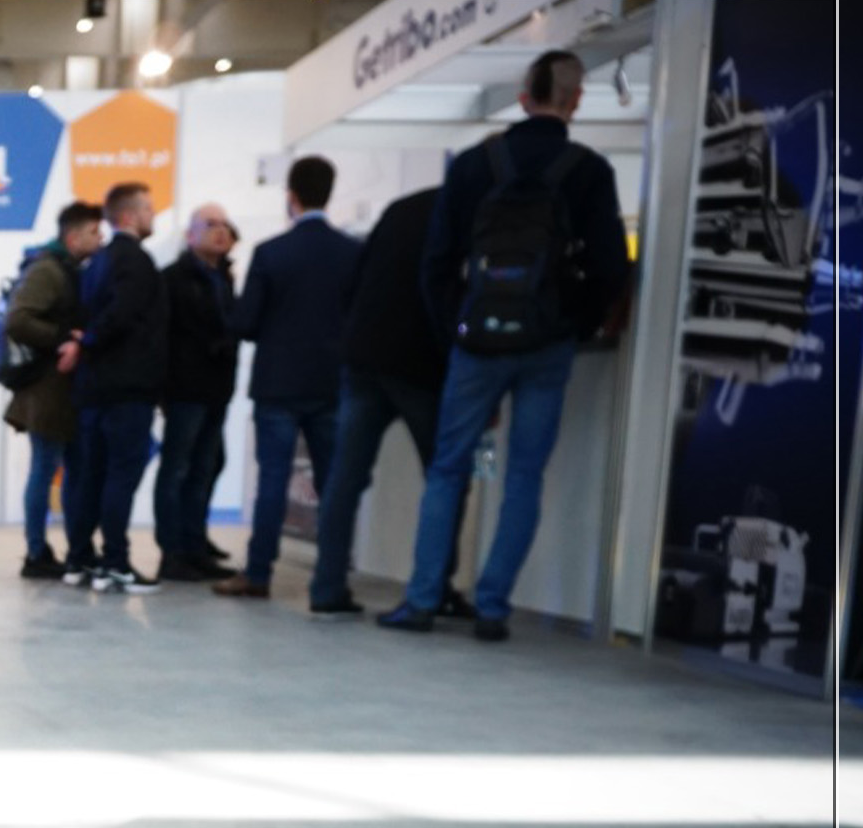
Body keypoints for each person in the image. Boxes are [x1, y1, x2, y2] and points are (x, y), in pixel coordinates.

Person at [380, 50, 630, 640]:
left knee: (447, 469)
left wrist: (458, 329)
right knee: (524, 476)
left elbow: (436, 264)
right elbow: (610, 268)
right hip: (547, 345)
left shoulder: (475, 164)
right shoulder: (589, 171)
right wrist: (574, 324)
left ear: (522, 97)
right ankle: (492, 606)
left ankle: (422, 600)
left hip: (477, 344)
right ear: (575, 101)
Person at [305, 186, 470, 619]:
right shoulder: (470, 212)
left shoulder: (403, 207)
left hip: (364, 357)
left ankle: (326, 587)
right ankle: (433, 587)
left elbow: (355, 280)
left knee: (344, 478)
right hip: (421, 365)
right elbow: (449, 293)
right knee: (446, 475)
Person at [217, 155, 363, 599]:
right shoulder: (353, 253)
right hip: (331, 383)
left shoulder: (270, 253)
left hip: (278, 384)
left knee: (272, 481)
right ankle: (331, 580)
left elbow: (245, 323)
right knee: (333, 484)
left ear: (291, 196)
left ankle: (258, 573)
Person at [70, 182, 167, 594]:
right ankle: (115, 562)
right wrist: (93, 339)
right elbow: (122, 314)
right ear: (128, 215)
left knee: (92, 475)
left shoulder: (98, 262)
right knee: (120, 475)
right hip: (126, 388)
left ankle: (80, 558)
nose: (153, 215)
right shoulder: (134, 260)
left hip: (95, 387)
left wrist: (86, 342)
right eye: (147, 209)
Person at [3, 201, 105, 578]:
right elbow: (18, 319)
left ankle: (76, 549)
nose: (101, 239)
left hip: (64, 390)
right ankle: (36, 552)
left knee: (69, 470)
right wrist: (62, 339)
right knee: (45, 469)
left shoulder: (70, 269)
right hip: (47, 390)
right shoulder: (48, 270)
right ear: (73, 237)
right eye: (94, 232)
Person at [154, 203, 241, 582]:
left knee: (206, 466)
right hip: (185, 389)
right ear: (190, 235)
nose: (220, 231)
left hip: (216, 390)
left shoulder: (223, 277)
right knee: (177, 470)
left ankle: (194, 546)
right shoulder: (173, 279)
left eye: (224, 224)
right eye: (210, 224)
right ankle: (173, 553)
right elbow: (163, 337)